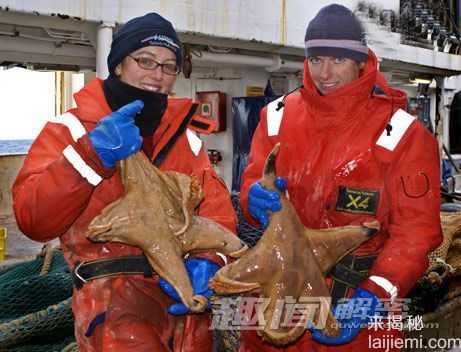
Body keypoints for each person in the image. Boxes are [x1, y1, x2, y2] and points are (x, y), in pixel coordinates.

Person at [13, 12, 236, 352]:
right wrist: (91, 155)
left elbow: (217, 216)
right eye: (145, 61)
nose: (157, 75)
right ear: (118, 65)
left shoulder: (187, 140)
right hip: (111, 315)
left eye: (168, 66)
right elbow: (33, 220)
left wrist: (210, 260)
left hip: (187, 314)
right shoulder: (70, 131)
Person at [239, 4, 442, 352]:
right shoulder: (275, 117)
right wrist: (251, 196)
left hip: (357, 305)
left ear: (361, 61)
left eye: (338, 59)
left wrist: (376, 293)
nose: (325, 72)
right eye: (316, 59)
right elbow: (254, 181)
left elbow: (416, 232)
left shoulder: (403, 134)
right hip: (279, 297)